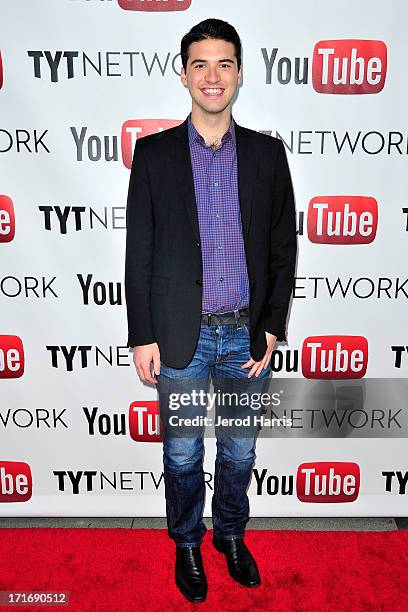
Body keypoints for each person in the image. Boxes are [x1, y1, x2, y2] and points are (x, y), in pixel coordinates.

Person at [125, 18, 297, 603]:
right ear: (183, 74)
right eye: (200, 64)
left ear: (241, 73)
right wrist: (141, 334)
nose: (213, 76)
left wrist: (273, 325)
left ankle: (229, 534)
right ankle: (187, 543)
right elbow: (139, 248)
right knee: (180, 452)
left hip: (245, 338)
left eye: (224, 63)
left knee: (240, 451)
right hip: (180, 336)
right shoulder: (153, 156)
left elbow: (281, 246)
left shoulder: (269, 156)